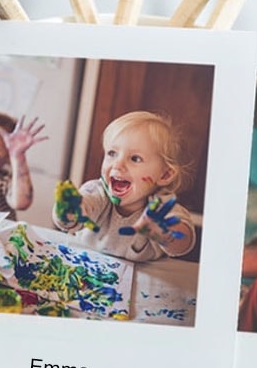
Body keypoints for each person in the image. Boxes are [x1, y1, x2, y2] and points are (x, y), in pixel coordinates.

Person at [52, 110, 195, 261]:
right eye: (112, 153)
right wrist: (68, 211)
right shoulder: (97, 191)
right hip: (81, 264)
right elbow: (81, 209)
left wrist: (165, 232)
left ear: (165, 175)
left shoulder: (161, 208)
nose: (117, 165)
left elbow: (183, 245)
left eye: (135, 158)